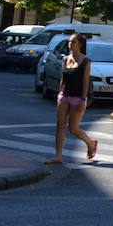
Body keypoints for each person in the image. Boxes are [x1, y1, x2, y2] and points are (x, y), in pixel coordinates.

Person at [45, 32, 97, 164]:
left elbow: (85, 82)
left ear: (80, 44)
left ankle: (90, 143)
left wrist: (83, 100)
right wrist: (59, 93)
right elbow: (63, 78)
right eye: (69, 41)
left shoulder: (85, 61)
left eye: (73, 41)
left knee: (73, 129)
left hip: (78, 98)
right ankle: (58, 156)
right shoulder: (65, 59)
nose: (70, 44)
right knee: (59, 126)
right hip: (64, 96)